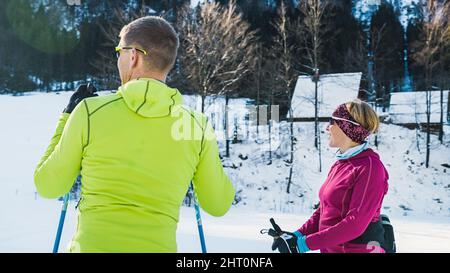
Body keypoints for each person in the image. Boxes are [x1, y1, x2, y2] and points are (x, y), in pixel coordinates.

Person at [34, 16, 235, 253]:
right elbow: (218, 204)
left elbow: (48, 185)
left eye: (119, 50)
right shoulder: (196, 126)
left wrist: (67, 118)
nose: (118, 58)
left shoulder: (89, 113)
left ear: (133, 56)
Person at [272, 99, 389, 253]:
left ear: (347, 127)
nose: (328, 128)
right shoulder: (341, 164)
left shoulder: (370, 167)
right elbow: (324, 211)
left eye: (332, 121)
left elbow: (355, 224)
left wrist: (302, 244)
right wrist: (295, 236)